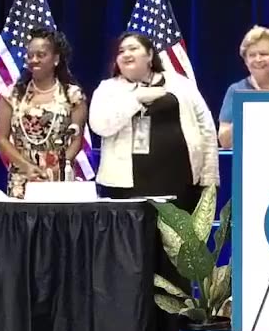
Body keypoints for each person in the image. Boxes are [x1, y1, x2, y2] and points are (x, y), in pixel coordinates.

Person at [89, 32, 218, 210]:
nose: (126, 54)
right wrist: (135, 100)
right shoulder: (108, 89)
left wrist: (209, 178)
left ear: (149, 55)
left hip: (180, 181)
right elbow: (100, 126)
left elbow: (206, 128)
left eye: (133, 48)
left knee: (177, 236)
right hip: (126, 187)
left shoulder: (180, 84)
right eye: (121, 51)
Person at [0, 27, 87, 198]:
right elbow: (1, 139)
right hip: (22, 177)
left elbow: (77, 139)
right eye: (30, 55)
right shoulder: (12, 95)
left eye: (41, 55)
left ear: (56, 59)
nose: (34, 60)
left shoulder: (72, 95)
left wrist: (59, 166)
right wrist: (26, 166)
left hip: (59, 177)